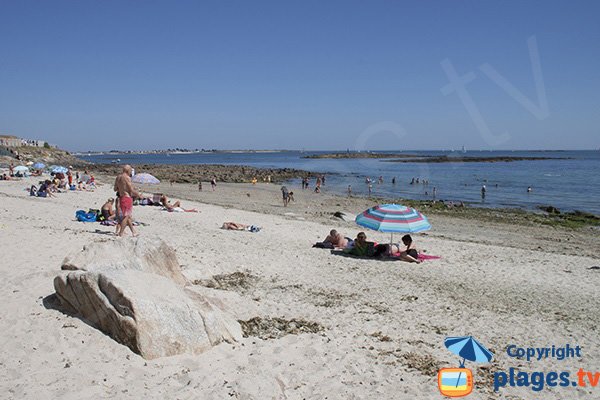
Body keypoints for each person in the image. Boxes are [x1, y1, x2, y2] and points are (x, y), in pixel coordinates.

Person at [114, 165, 140, 237]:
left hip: (121, 197)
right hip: (127, 198)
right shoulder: (127, 178)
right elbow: (131, 190)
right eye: (130, 171)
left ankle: (133, 232)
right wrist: (138, 195)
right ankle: (121, 233)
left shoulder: (118, 177)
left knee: (127, 216)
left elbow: (115, 189)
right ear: (128, 170)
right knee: (126, 216)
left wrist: (122, 188)